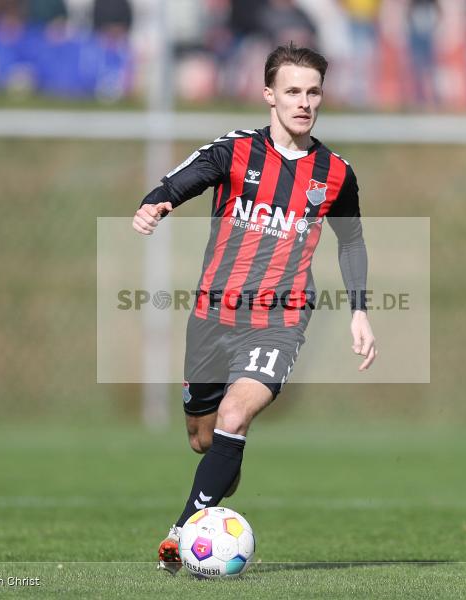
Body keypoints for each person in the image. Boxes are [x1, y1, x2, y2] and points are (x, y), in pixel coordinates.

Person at [131, 43, 377, 575]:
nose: (304, 102)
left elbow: (351, 242)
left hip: (281, 319)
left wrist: (359, 310)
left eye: (313, 92)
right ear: (269, 95)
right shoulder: (236, 150)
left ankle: (179, 538)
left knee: (235, 414)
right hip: (212, 315)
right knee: (204, 437)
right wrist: (159, 200)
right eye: (293, 91)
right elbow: (187, 176)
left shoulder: (336, 173)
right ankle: (222, 466)